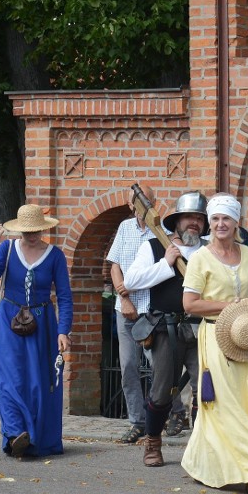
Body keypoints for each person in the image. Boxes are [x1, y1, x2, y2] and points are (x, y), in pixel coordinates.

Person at [181, 193, 248, 494]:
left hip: (242, 337)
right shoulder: (200, 258)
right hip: (214, 338)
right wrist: (227, 305)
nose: (220, 224)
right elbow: (189, 303)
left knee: (240, 401)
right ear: (208, 223)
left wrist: (246, 310)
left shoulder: (246, 255)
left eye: (225, 218)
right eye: (214, 219)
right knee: (225, 403)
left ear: (236, 222)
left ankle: (201, 461)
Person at [0, 204, 72, 457]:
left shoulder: (55, 256)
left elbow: (64, 296)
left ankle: (35, 437)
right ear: (19, 230)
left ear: (43, 229)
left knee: (38, 383)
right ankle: (14, 434)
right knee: (9, 381)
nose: (31, 236)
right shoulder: (8, 249)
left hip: (42, 324)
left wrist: (63, 330)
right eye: (26, 232)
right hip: (8, 321)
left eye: (36, 231)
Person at [124, 191, 208, 467]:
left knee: (207, 388)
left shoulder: (210, 250)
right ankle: (153, 443)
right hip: (166, 328)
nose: (194, 223)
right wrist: (166, 263)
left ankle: (202, 447)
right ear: (177, 221)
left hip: (201, 329)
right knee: (161, 391)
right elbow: (132, 280)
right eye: (188, 217)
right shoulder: (154, 246)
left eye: (199, 218)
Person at [107, 186, 188, 443]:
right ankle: (137, 422)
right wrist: (124, 298)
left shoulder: (165, 235)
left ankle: (175, 412)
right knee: (128, 366)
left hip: (153, 312)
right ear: (132, 206)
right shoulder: (124, 228)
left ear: (154, 204)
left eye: (147, 203)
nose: (141, 208)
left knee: (161, 368)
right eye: (137, 204)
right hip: (126, 307)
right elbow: (115, 266)